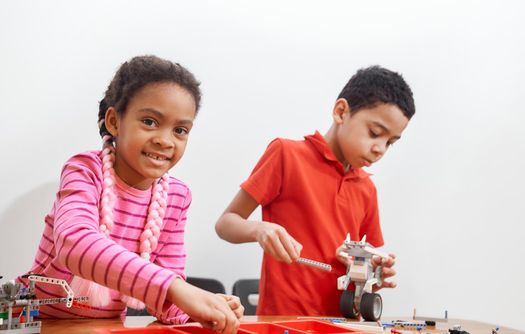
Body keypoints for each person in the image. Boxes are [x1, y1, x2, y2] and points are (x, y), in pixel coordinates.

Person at [17, 55, 242, 332]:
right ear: (113, 121)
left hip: (106, 329)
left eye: (180, 130)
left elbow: (167, 300)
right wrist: (174, 288)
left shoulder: (177, 196)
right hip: (36, 325)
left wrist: (205, 308)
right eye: (149, 121)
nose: (165, 140)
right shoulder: (85, 170)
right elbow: (74, 244)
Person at [215, 65, 415, 316]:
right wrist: (259, 229)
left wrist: (376, 272)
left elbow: (365, 260)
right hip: (283, 323)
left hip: (342, 324)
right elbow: (225, 224)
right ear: (341, 112)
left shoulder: (367, 188)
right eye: (375, 133)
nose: (380, 149)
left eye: (390, 142)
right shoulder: (286, 155)